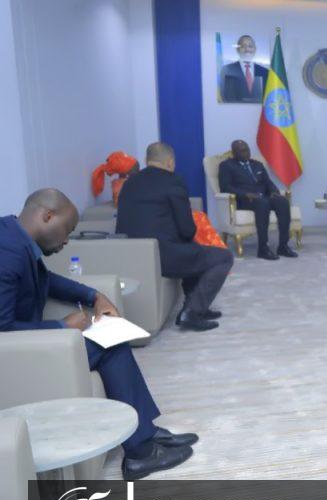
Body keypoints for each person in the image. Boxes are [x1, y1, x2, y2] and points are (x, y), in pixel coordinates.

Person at [0, 189, 198, 480]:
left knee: (112, 338)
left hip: (35, 348)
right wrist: (62, 327)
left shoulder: (14, 237)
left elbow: (47, 281)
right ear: (47, 216)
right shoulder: (7, 252)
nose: (67, 240)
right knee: (110, 345)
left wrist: (94, 295)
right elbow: (3, 328)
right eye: (67, 230)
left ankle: (146, 432)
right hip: (20, 360)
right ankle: (141, 453)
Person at [116, 142, 234, 332]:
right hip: (163, 255)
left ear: (147, 160)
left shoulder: (129, 183)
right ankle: (192, 312)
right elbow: (187, 229)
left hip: (132, 255)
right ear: (170, 162)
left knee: (190, 250)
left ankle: (193, 304)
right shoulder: (173, 181)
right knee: (223, 257)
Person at [217, 139, 298, 260]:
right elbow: (225, 187)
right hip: (244, 200)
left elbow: (268, 182)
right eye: (242, 151)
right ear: (234, 153)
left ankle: (283, 246)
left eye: (247, 150)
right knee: (263, 203)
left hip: (262, 197)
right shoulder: (226, 166)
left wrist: (274, 192)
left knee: (282, 202)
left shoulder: (257, 164)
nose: (247, 153)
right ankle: (263, 249)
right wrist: (246, 194)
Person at [220, 35, 269, 103]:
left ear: (255, 49)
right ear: (237, 49)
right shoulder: (227, 70)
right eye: (243, 46)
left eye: (250, 46)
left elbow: (267, 96)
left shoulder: (265, 72)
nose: (247, 49)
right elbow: (225, 96)